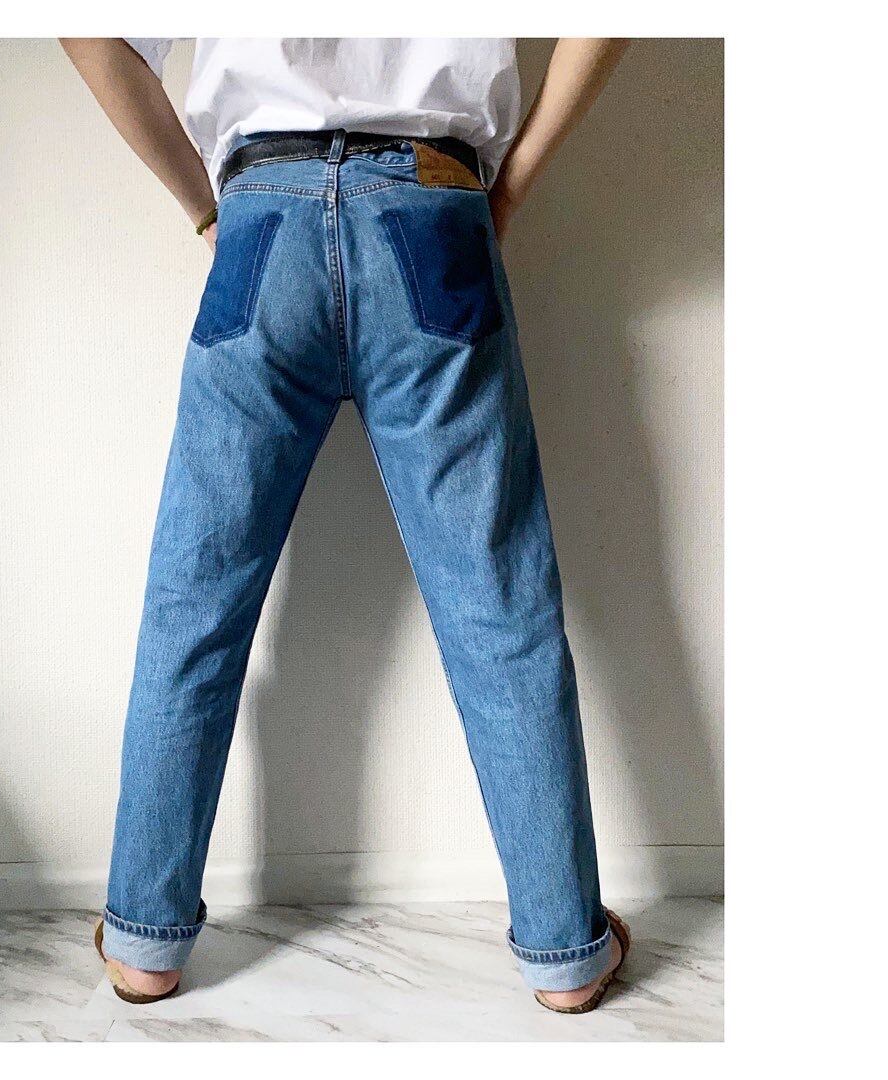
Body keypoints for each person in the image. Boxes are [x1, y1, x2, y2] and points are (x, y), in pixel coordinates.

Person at [60, 36, 630, 1014]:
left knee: (196, 604)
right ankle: (565, 951)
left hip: (261, 222)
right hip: (435, 209)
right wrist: (512, 184)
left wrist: (206, 206)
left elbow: (88, 32)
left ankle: (145, 939)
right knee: (497, 608)